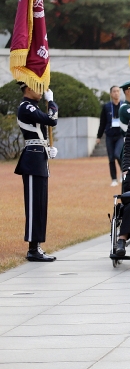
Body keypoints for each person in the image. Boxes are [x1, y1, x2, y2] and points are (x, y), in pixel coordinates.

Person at [15, 83, 59, 262]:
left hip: (39, 159)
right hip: (32, 161)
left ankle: (37, 246)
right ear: (28, 89)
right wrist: (52, 102)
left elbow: (41, 131)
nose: (41, 92)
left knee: (40, 205)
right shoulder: (26, 107)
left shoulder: (33, 107)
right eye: (38, 88)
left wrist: (47, 148)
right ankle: (32, 249)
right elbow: (52, 120)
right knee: (34, 205)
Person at [97, 85, 130, 186]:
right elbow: (102, 122)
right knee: (111, 158)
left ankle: (123, 173)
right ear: (111, 93)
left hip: (120, 135)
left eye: (118, 91)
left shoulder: (124, 105)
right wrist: (98, 136)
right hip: (109, 134)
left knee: (118, 154)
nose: (116, 93)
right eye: (114, 91)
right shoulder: (106, 107)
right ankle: (113, 179)